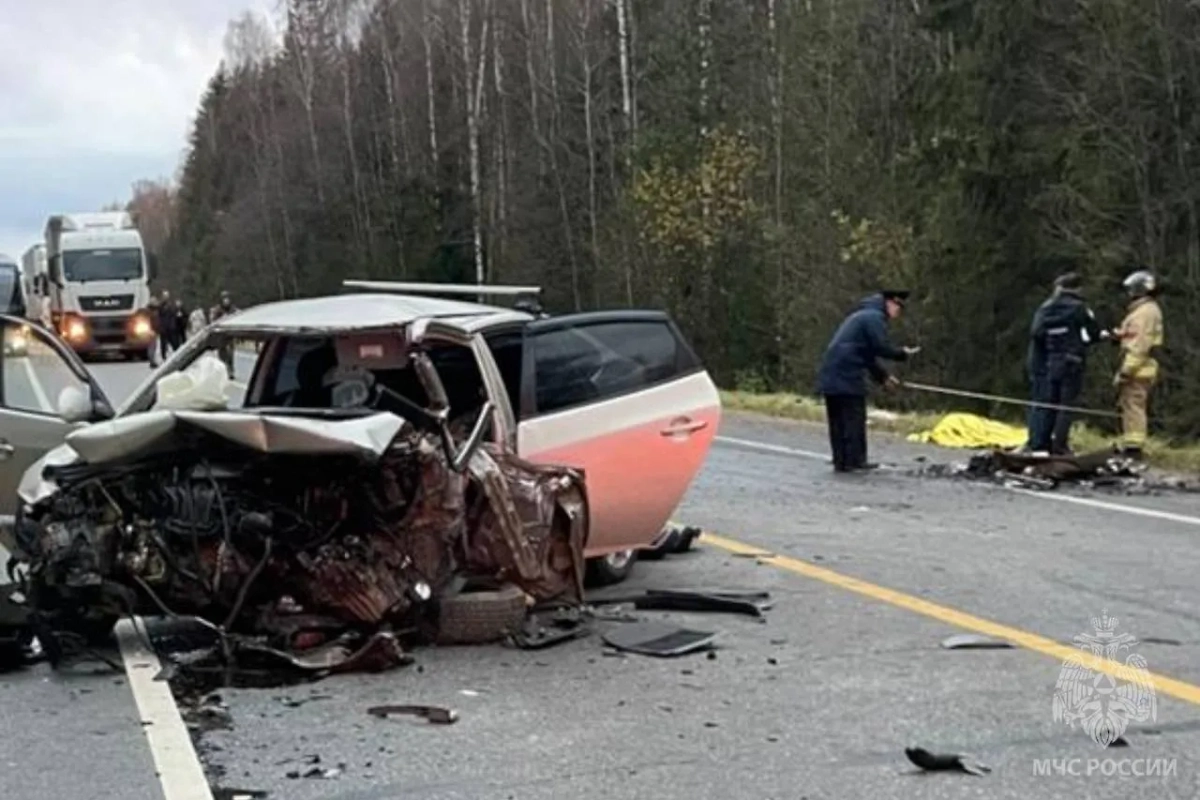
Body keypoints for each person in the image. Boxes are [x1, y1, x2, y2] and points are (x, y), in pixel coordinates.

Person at [816, 289, 920, 473]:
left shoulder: (861, 316)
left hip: (832, 372)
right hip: (847, 374)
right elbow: (879, 346)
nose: (898, 312)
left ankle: (842, 460)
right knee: (853, 417)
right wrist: (902, 353)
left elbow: (866, 354)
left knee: (838, 419)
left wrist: (883, 377)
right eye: (898, 306)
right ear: (888, 302)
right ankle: (855, 461)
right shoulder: (874, 317)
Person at [1024, 272, 1102, 455]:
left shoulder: (1046, 307)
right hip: (1072, 360)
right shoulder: (1080, 308)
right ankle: (1060, 445)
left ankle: (1039, 444)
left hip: (1046, 361)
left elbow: (1036, 332)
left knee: (1045, 402)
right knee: (1065, 405)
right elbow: (1093, 333)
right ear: (1079, 288)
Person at [1108, 269, 1164, 458]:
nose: (1129, 294)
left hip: (1139, 368)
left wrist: (1126, 371)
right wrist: (1119, 336)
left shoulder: (1144, 313)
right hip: (1141, 366)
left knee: (1134, 408)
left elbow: (1139, 346)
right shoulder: (1144, 311)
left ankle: (1134, 449)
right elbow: (1134, 336)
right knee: (1130, 406)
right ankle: (1130, 444)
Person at [156, 289, 177, 361]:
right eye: (164, 296)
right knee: (163, 343)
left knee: (173, 341)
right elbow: (159, 316)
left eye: (167, 296)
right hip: (163, 327)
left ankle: (176, 352)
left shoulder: (171, 305)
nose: (165, 297)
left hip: (170, 326)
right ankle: (163, 355)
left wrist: (173, 324)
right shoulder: (160, 306)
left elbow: (173, 315)